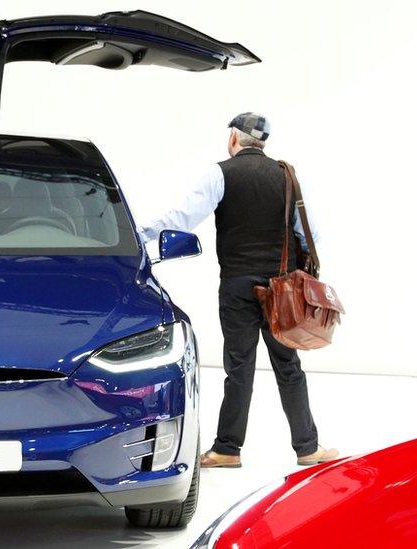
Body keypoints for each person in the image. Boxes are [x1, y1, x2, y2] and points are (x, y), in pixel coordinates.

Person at [139, 113, 339, 468]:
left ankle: (227, 449)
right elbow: (311, 236)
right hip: (282, 292)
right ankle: (308, 448)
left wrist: (140, 234)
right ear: (262, 142)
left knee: (239, 367)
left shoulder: (220, 173)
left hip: (237, 287)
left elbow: (181, 219)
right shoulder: (287, 176)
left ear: (234, 138)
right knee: (288, 365)